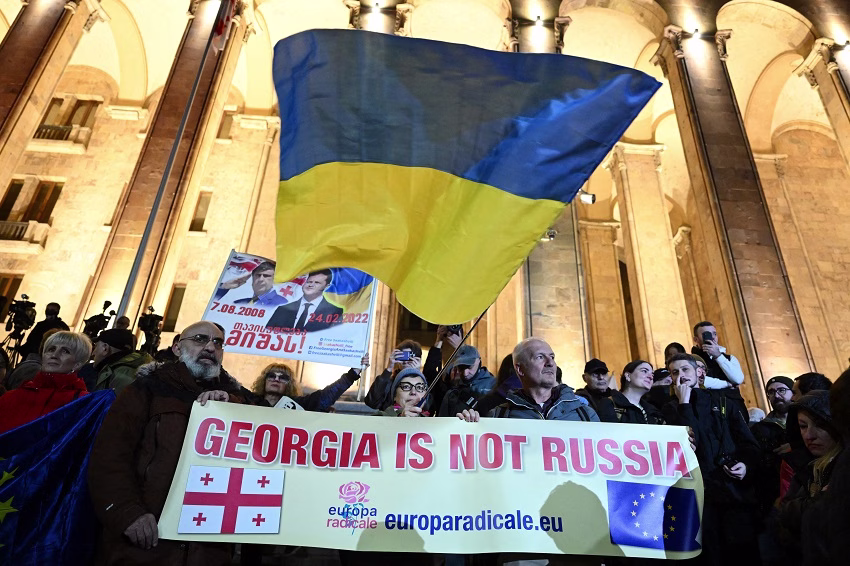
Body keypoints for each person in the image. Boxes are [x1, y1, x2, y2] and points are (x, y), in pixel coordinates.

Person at [88, 321, 256, 565]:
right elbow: (109, 458)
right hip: (146, 543)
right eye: (200, 339)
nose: (210, 347)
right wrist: (127, 513)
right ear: (177, 348)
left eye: (218, 343)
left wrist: (233, 405)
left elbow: (266, 447)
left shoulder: (236, 399)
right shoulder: (144, 390)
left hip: (207, 549)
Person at [665, 353, 760, 566]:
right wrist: (684, 403)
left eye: (685, 369)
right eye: (674, 372)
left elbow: (749, 444)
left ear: (699, 372)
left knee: (742, 554)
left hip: (733, 493)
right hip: (699, 498)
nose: (680, 375)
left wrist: (745, 465)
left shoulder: (725, 401)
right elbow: (691, 442)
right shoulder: (671, 409)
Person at [778, 390, 843, 565]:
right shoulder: (803, 466)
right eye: (803, 426)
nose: (809, 435)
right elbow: (784, 514)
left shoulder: (843, 467)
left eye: (820, 425)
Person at [0, 331, 91, 433]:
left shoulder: (84, 403)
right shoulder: (11, 397)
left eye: (65, 351)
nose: (54, 355)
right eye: (51, 349)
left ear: (77, 364)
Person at [490, 338, 598, 421]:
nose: (550, 363)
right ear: (520, 369)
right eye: (540, 357)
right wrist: (473, 424)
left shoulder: (586, 415)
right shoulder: (498, 417)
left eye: (552, 357)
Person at [251, 356, 366, 411]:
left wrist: (354, 373)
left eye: (283, 378)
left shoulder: (299, 404)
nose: (276, 379)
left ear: (289, 384)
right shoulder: (248, 401)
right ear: (264, 380)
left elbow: (324, 397)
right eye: (271, 376)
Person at [265, 269, 343, 331]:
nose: (311, 285)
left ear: (326, 286)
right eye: (309, 281)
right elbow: (267, 333)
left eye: (317, 283)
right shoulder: (282, 309)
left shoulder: (335, 312)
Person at [431, 344, 495, 417]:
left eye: (469, 367)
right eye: (461, 368)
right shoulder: (452, 393)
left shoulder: (494, 386)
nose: (465, 373)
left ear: (478, 361)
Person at [364, 339, 429, 410]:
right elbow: (371, 402)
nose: (406, 361)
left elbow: (428, 406)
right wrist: (389, 368)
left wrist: (417, 373)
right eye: (403, 356)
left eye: (410, 357)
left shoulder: (422, 384)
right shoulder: (390, 382)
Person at [595, 360, 664, 424]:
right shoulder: (609, 404)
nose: (651, 377)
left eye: (652, 374)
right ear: (628, 376)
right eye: (644, 371)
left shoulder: (652, 411)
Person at [90, 329, 152, 394]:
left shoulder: (119, 376)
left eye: (96, 346)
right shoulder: (132, 368)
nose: (93, 353)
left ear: (105, 349)